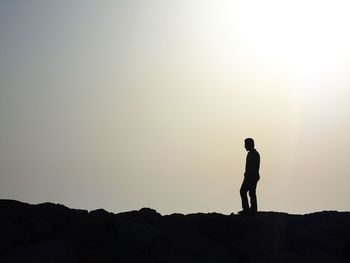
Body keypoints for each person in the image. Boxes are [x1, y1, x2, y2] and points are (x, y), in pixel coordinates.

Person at [238, 138, 260, 215]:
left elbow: (252, 167)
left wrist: (248, 176)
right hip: (252, 176)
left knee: (243, 191)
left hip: (251, 177)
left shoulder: (253, 154)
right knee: (251, 192)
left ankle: (247, 210)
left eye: (246, 145)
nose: (244, 146)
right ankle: (252, 209)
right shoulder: (253, 153)